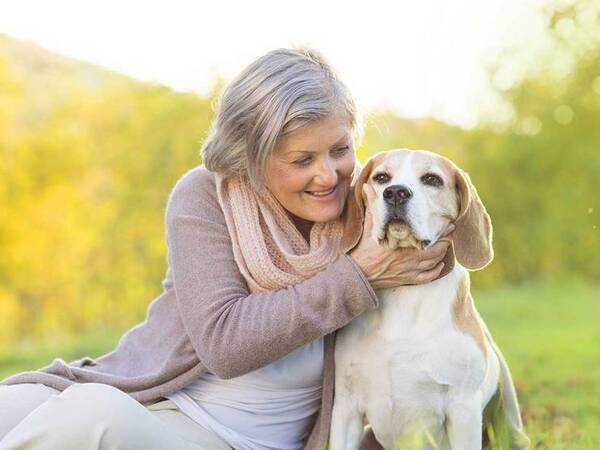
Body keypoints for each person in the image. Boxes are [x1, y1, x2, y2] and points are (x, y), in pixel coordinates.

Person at [0, 48, 452, 449]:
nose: (329, 176)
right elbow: (225, 342)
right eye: (302, 160)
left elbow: (449, 264)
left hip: (231, 438)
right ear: (250, 159)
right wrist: (357, 277)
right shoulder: (206, 197)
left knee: (88, 417)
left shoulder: (374, 206)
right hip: (153, 394)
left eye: (340, 149)